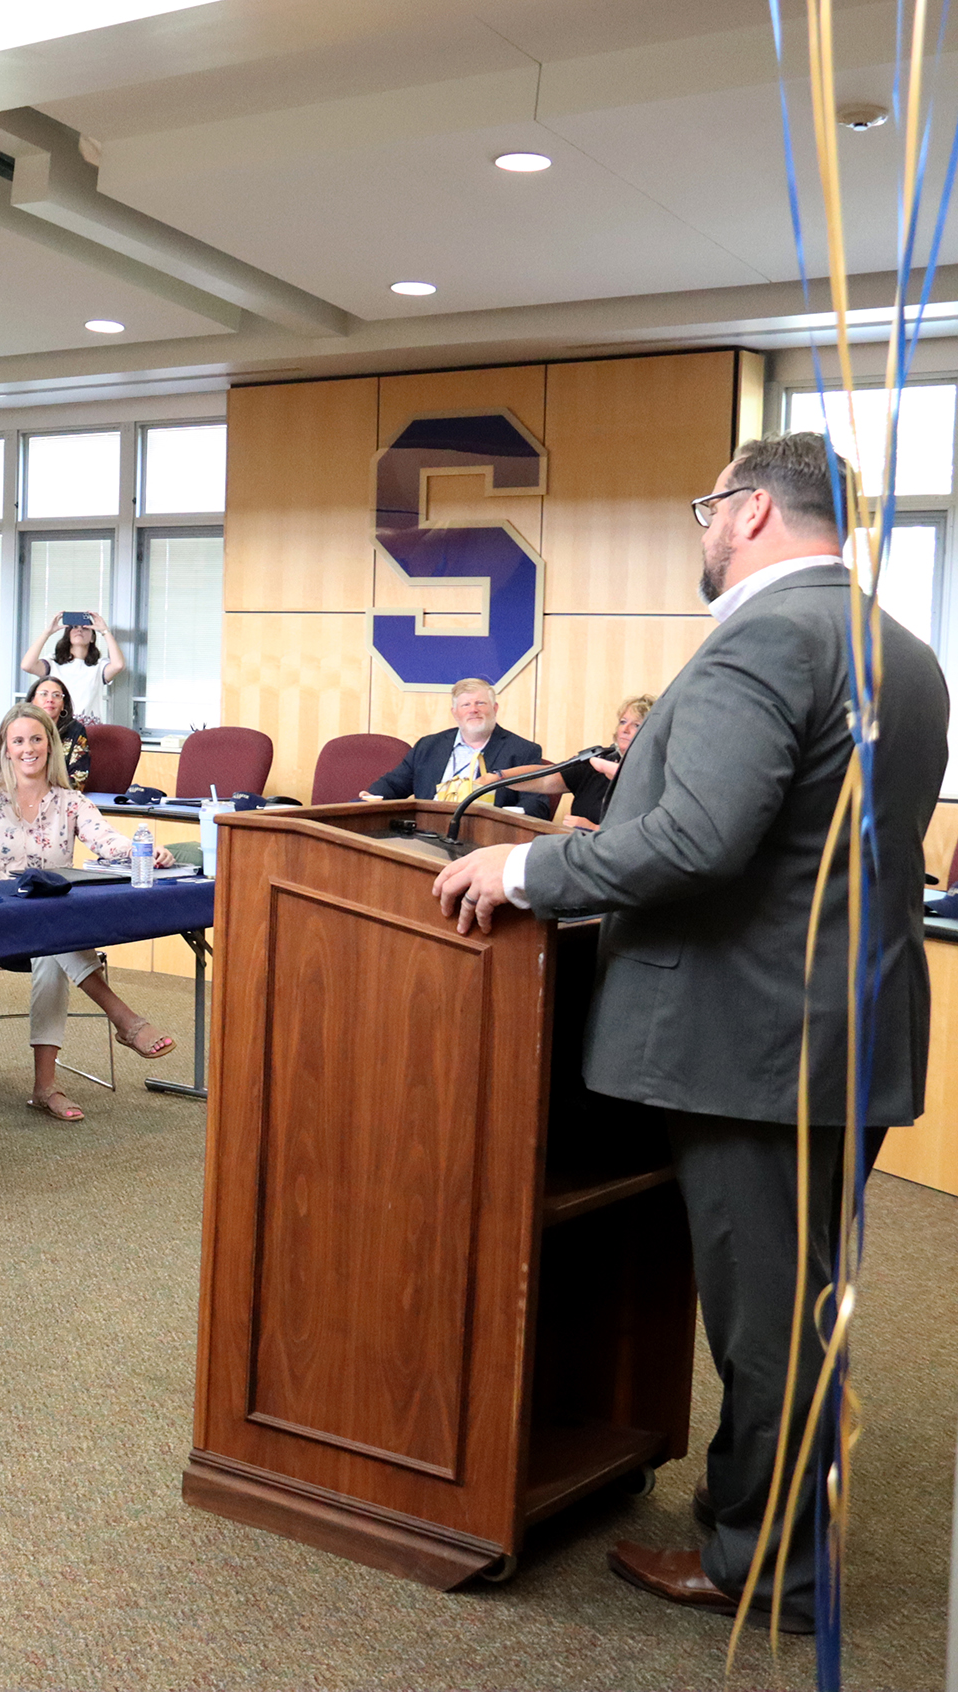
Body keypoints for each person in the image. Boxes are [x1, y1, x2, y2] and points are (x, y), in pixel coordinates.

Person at [433, 433, 949, 1633]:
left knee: (768, 1317)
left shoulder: (766, 638)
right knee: (804, 1303)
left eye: (709, 507)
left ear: (756, 512)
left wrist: (524, 865)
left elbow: (692, 842)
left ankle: (763, 1569)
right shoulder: (901, 649)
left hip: (752, 1045)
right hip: (843, 1030)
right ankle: (766, 1530)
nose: (703, 530)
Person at [0, 702, 175, 1122]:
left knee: (52, 947)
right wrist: (26, 892)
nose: (28, 748)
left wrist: (144, 851)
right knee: (55, 931)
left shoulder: (68, 801)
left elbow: (107, 840)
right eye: (18, 740)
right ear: (5, 748)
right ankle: (123, 1017)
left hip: (51, 929)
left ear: (50, 746)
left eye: (36, 739)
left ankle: (45, 1088)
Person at [360, 677, 551, 818]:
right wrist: (371, 797)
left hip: (484, 839)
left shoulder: (522, 750)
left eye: (480, 703)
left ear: (495, 708)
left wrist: (508, 818)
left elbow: (536, 805)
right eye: (465, 705)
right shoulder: (428, 745)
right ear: (455, 713)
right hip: (426, 831)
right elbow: (395, 783)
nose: (473, 709)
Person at [499, 694, 655, 831]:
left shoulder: (657, 773)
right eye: (623, 722)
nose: (625, 729)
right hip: (577, 852)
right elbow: (545, 778)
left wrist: (594, 829)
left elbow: (651, 831)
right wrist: (499, 777)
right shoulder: (597, 760)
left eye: (636, 725)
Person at [21, 612, 125, 725]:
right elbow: (27, 665)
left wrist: (105, 631)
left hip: (89, 731)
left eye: (85, 628)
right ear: (68, 634)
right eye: (74, 627)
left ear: (92, 638)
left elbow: (118, 665)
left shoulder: (99, 666)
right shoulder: (53, 662)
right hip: (58, 727)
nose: (79, 630)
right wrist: (47, 633)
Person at [29, 674, 92, 791]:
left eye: (56, 695)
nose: (50, 700)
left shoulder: (75, 730)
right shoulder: (20, 727)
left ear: (63, 704)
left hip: (61, 799)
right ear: (32, 700)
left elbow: (79, 777)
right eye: (43, 694)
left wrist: (46, 794)